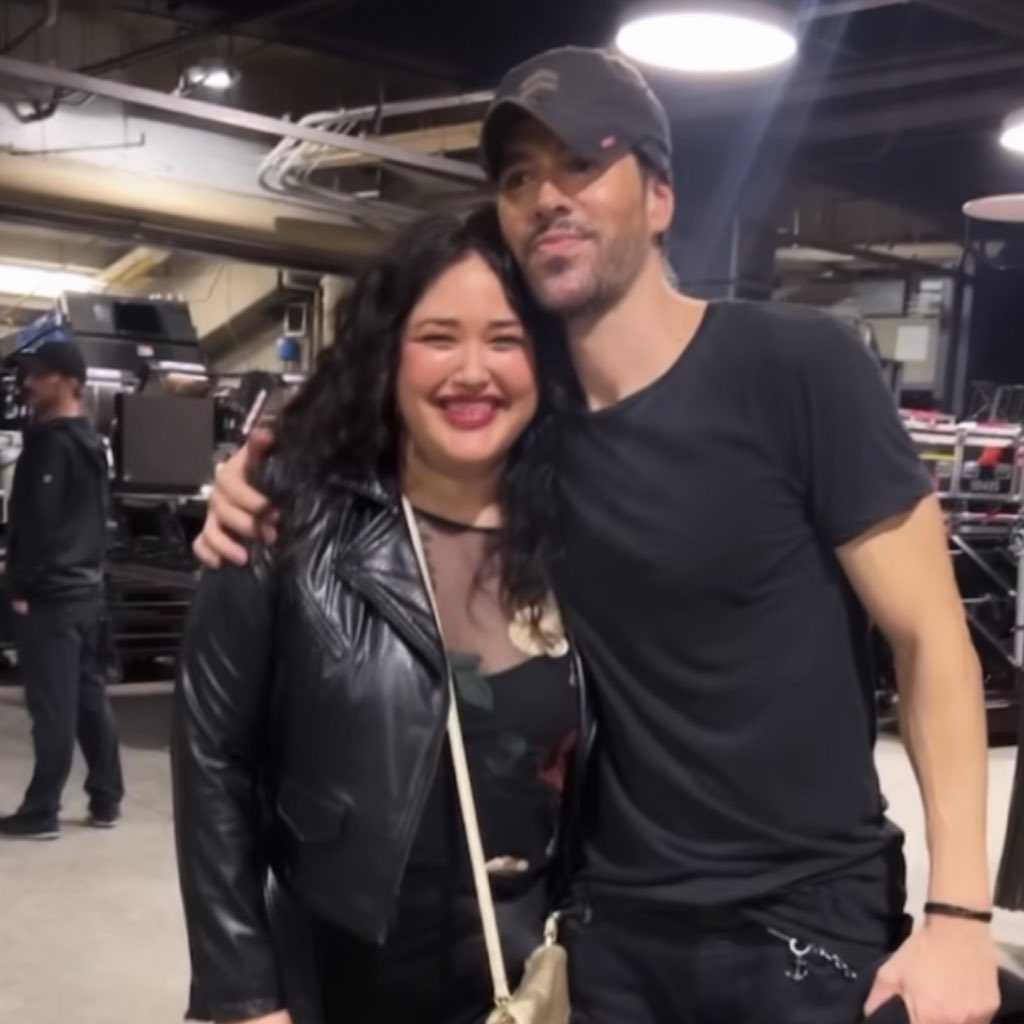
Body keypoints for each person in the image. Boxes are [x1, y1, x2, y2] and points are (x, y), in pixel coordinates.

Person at [194, 47, 1005, 1024]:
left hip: (799, 929)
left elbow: (933, 642)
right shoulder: (530, 430)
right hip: (607, 935)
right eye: (518, 177)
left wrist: (958, 913)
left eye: (582, 163)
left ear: (660, 197)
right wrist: (261, 466)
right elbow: (390, 422)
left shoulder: (796, 368)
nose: (547, 196)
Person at [171, 208, 588, 1024]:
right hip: (340, 973)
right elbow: (213, 758)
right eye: (439, 337)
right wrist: (243, 994)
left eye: (505, 340)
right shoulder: (284, 521)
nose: (473, 371)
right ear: (388, 355)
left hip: (528, 971)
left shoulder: (585, 537)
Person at [0, 339, 123, 840]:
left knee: (52, 708)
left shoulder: (52, 447)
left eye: (40, 375)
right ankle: (107, 799)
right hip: (85, 594)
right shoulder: (92, 445)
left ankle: (41, 811)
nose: (29, 384)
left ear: (69, 382)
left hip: (51, 597)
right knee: (88, 701)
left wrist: (21, 587)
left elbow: (39, 526)